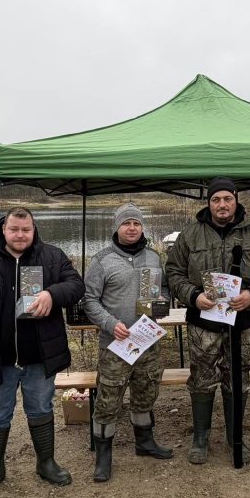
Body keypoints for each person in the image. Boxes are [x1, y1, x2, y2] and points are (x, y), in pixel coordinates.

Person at [0, 206, 84, 498]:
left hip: (39, 356)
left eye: (26, 230)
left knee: (41, 408)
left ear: (34, 230)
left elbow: (76, 286)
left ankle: (46, 463)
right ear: (3, 229)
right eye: (14, 229)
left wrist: (52, 294)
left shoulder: (53, 257)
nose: (20, 235)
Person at [165, 177, 250, 464]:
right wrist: (193, 296)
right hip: (203, 322)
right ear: (208, 203)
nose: (222, 204)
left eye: (227, 199)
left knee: (238, 378)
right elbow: (173, 272)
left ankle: (235, 436)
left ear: (236, 200)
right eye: (216, 199)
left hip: (243, 322)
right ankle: (200, 438)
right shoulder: (190, 235)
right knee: (202, 379)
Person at [83, 203, 173, 483]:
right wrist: (110, 324)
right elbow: (89, 300)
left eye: (136, 223)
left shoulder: (154, 258)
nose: (132, 228)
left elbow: (164, 290)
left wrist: (163, 303)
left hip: (147, 341)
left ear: (142, 227)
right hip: (115, 345)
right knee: (108, 401)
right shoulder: (102, 261)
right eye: (126, 223)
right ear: (117, 227)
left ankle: (144, 442)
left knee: (146, 393)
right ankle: (103, 456)